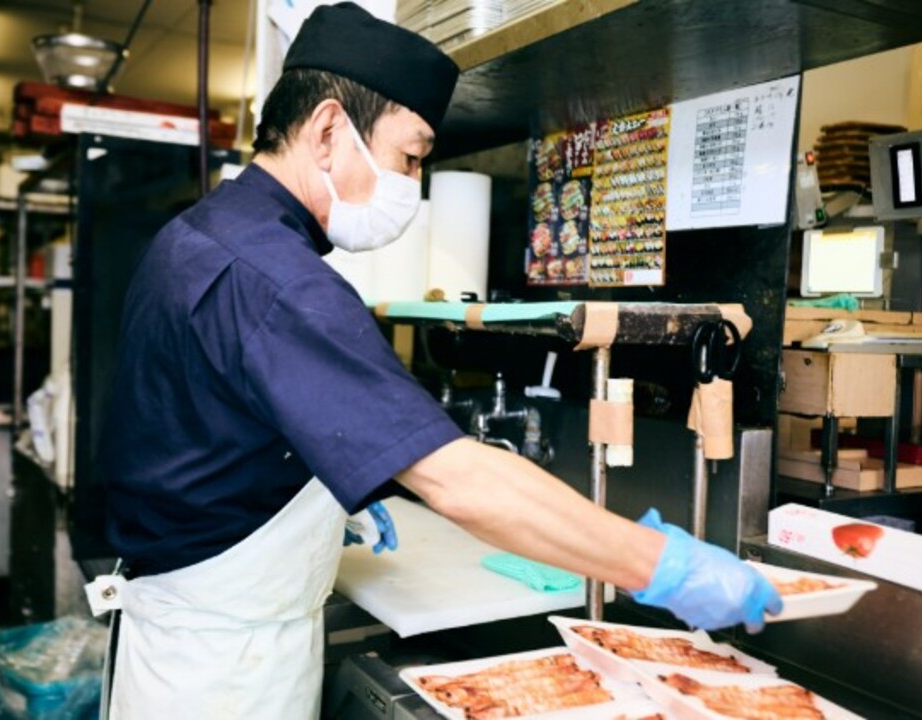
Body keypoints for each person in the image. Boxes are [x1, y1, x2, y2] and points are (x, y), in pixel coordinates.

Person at [92, 3, 782, 718]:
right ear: (329, 130)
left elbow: (209, 430)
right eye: (411, 157)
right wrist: (659, 564)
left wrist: (330, 507)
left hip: (178, 641)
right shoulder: (278, 280)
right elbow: (460, 480)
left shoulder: (202, 232)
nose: (410, 189)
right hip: (223, 676)